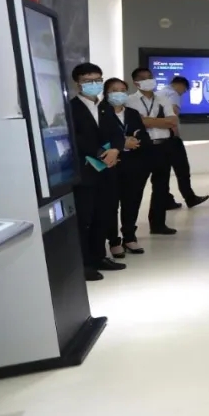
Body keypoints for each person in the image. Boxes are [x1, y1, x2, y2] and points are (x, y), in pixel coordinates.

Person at [69, 63, 126, 281]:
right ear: (78, 83)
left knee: (104, 215)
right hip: (86, 171)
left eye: (97, 80)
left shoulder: (105, 107)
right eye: (87, 81)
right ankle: (84, 264)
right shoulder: (72, 108)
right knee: (85, 218)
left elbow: (117, 133)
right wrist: (102, 153)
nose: (93, 84)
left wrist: (115, 149)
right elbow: (76, 138)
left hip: (107, 170)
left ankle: (98, 256)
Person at [128, 68, 180, 235]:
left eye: (150, 77)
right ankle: (129, 230)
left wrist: (145, 121)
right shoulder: (130, 101)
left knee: (161, 188)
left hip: (163, 146)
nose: (148, 80)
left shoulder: (163, 99)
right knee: (135, 190)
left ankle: (158, 224)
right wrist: (160, 121)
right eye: (143, 78)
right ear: (136, 83)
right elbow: (134, 123)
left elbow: (172, 121)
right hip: (141, 148)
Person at [103, 78, 149, 260]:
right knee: (110, 204)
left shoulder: (132, 113)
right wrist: (123, 143)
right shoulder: (101, 113)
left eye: (123, 90)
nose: (119, 93)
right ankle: (114, 241)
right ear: (106, 93)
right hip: (110, 164)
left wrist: (136, 141)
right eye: (115, 90)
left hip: (133, 163)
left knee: (131, 201)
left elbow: (143, 136)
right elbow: (99, 139)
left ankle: (129, 237)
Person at [160, 75, 208, 210]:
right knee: (182, 170)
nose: (183, 93)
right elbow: (173, 115)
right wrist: (176, 135)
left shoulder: (159, 93)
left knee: (162, 173)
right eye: (185, 90)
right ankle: (190, 198)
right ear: (180, 85)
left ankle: (165, 200)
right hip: (171, 138)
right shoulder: (173, 94)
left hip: (158, 139)